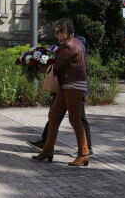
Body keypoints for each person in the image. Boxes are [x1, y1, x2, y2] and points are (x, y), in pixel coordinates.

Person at [32, 18, 90, 167]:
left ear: (65, 32)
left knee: (75, 120)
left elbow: (57, 68)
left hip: (73, 86)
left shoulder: (68, 46)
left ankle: (83, 154)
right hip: (69, 85)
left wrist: (40, 67)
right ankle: (47, 150)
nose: (56, 35)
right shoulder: (73, 43)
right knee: (54, 115)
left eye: (57, 32)